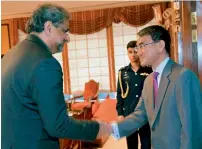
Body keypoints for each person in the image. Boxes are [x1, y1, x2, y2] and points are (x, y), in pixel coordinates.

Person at [1, 4, 111, 149]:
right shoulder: (45, 63)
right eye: (65, 31)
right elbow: (58, 125)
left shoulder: (10, 54)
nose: (68, 38)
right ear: (48, 27)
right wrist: (97, 128)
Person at [111, 25, 202, 149]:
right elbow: (140, 114)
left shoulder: (183, 77)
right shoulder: (149, 80)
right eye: (137, 47)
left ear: (160, 45)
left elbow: (192, 130)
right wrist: (111, 128)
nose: (138, 51)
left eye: (142, 46)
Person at [116, 41, 152, 149]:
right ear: (127, 53)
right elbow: (119, 94)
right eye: (130, 52)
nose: (133, 55)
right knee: (131, 144)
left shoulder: (149, 70)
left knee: (146, 143)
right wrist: (120, 113)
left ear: (140, 51)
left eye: (135, 51)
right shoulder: (123, 72)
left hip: (145, 112)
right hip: (129, 113)